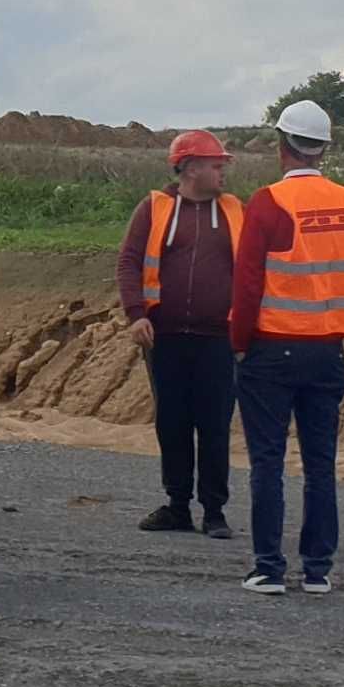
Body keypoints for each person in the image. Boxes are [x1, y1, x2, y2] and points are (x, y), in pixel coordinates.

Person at [229, 98, 344, 594]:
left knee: (268, 461)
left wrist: (239, 343)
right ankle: (318, 570)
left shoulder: (268, 203)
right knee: (320, 464)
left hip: (271, 349)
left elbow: (247, 282)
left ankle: (269, 567)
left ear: (281, 147)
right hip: (327, 353)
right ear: (323, 150)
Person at [118, 129, 244, 539]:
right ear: (189, 168)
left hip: (217, 340)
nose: (222, 170)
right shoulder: (153, 208)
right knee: (171, 423)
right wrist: (136, 314)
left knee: (214, 424)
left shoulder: (234, 211)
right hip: (165, 337)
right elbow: (129, 263)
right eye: (215, 164)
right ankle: (177, 505)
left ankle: (214, 511)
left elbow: (254, 272)